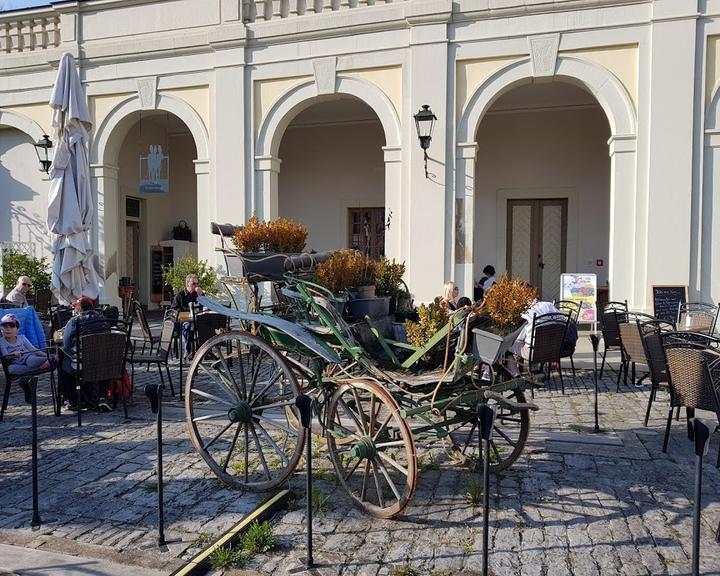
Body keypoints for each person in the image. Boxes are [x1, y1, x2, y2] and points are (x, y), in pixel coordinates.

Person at [60, 296, 112, 412]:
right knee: (102, 360)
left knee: (64, 362)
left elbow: (67, 345)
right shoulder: (103, 319)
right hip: (104, 364)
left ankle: (73, 401)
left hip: (81, 365)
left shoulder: (74, 321)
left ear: (77, 309)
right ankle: (102, 397)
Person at [171, 274, 204, 359]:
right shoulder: (180, 295)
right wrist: (183, 314)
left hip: (197, 320)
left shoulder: (198, 294)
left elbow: (204, 306)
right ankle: (188, 351)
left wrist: (201, 296)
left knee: (206, 324)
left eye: (197, 283)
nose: (196, 286)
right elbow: (173, 310)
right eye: (194, 283)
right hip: (185, 321)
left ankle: (204, 351)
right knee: (188, 326)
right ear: (188, 284)